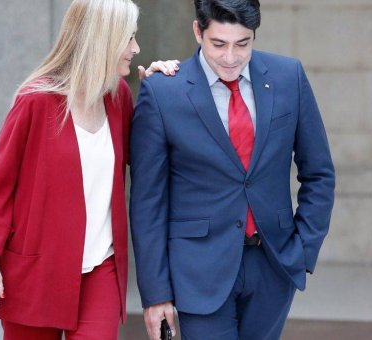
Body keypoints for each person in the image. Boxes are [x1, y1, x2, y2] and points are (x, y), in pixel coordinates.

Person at [0, 0, 179, 339]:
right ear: (103, 39)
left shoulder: (119, 97)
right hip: (36, 271)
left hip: (101, 269)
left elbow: (145, 158)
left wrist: (162, 94)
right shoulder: (34, 101)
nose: (135, 49)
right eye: (128, 38)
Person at [129, 0, 336, 339]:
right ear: (198, 31)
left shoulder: (288, 77)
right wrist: (155, 293)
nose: (230, 57)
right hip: (198, 270)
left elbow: (319, 173)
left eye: (243, 43)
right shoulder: (164, 91)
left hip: (273, 264)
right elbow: (147, 201)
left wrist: (302, 250)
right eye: (218, 44)